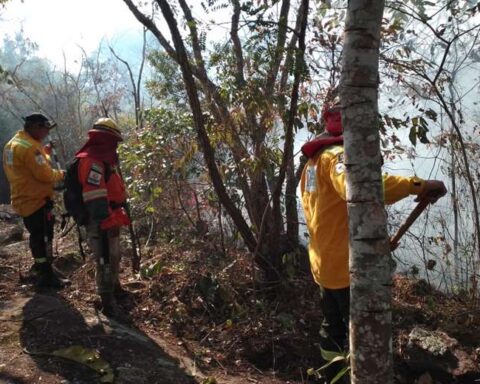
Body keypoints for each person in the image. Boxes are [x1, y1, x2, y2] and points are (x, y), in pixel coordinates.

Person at [300, 103, 447, 383]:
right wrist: (417, 185)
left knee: (332, 327)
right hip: (347, 269)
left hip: (323, 264)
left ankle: (329, 376)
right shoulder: (337, 157)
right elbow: (359, 187)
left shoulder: (312, 164)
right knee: (363, 330)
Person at [3, 113, 67, 289]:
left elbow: (27, 165)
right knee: (43, 237)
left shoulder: (13, 144)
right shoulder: (31, 148)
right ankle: (45, 274)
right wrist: (61, 174)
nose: (47, 133)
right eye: (45, 129)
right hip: (37, 200)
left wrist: (44, 152)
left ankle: (41, 268)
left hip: (23, 198)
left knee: (37, 235)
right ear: (35, 127)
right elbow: (44, 174)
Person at [75, 117, 130, 316]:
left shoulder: (104, 158)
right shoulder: (92, 161)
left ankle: (115, 289)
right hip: (101, 220)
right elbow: (95, 196)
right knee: (104, 259)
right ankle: (107, 302)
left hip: (112, 215)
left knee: (114, 255)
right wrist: (106, 221)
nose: (116, 146)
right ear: (104, 139)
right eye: (113, 141)